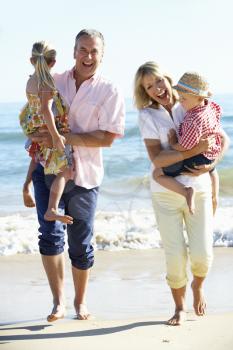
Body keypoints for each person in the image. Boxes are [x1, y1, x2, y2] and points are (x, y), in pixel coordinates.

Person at [30, 29, 125, 321]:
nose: (88, 56)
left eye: (94, 51)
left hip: (85, 175)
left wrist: (65, 138)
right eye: (83, 49)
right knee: (49, 235)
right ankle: (58, 302)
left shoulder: (109, 90)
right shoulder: (54, 81)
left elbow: (108, 138)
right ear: (73, 52)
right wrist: (36, 134)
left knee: (81, 243)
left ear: (102, 55)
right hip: (48, 168)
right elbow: (33, 113)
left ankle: (80, 302)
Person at [134, 61, 229, 326]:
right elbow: (157, 159)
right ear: (145, 91)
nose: (157, 89)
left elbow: (223, 140)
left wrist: (210, 164)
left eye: (159, 81)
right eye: (149, 86)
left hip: (199, 190)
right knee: (174, 257)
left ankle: (198, 285)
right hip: (165, 195)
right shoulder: (147, 116)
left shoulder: (192, 103)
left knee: (202, 255)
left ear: (168, 79)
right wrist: (193, 150)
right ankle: (179, 307)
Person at [153, 71, 222, 215]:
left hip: (197, 157)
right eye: (180, 97)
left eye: (184, 98)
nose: (180, 101)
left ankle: (187, 191)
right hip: (211, 154)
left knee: (157, 174)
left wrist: (172, 143)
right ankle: (215, 198)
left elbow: (185, 147)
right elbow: (217, 119)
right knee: (212, 170)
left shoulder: (192, 120)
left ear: (199, 98)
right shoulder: (211, 107)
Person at [20, 41, 73, 224]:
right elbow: (45, 109)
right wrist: (56, 136)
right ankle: (51, 209)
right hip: (47, 128)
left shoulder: (31, 81)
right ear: (53, 62)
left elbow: (34, 107)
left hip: (34, 125)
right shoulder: (47, 83)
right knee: (65, 171)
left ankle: (26, 186)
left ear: (31, 60)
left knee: (38, 158)